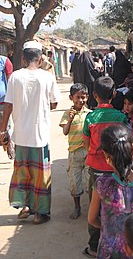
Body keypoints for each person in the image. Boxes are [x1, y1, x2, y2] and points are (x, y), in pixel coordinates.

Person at [0, 40, 60, 224]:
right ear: (41, 58)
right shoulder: (47, 77)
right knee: (41, 175)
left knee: (22, 172)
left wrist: (3, 130)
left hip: (21, 136)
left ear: (24, 58)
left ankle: (25, 205)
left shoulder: (16, 77)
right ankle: (39, 213)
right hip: (39, 136)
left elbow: (8, 105)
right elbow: (54, 103)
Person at [88, 124, 133, 259]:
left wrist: (108, 227)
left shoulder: (102, 184)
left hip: (110, 251)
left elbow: (92, 219)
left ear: (106, 156)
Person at [83, 76, 128, 258]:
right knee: (118, 206)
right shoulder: (120, 117)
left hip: (96, 170)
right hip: (116, 169)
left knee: (95, 207)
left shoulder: (90, 118)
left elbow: (87, 145)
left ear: (94, 95)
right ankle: (120, 241)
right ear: (114, 94)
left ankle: (94, 246)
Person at [59, 83, 91, 219]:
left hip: (88, 152)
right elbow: (65, 132)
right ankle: (77, 207)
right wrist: (70, 119)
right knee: (74, 182)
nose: (80, 100)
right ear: (71, 97)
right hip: (74, 153)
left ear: (87, 97)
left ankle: (92, 208)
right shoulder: (67, 114)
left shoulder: (90, 114)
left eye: (83, 97)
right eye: (77, 97)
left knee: (91, 181)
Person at [0, 54, 13, 155]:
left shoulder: (4, 61)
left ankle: (9, 146)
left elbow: (10, 81)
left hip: (2, 101)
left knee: (6, 126)